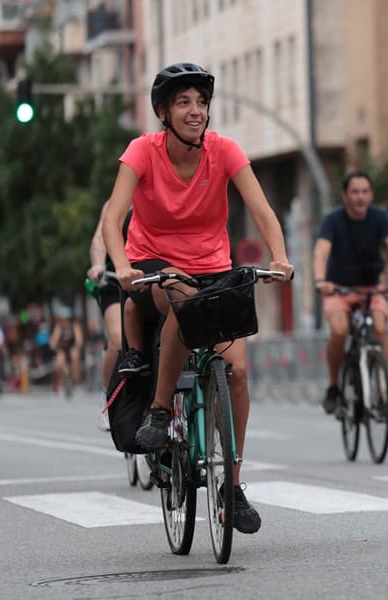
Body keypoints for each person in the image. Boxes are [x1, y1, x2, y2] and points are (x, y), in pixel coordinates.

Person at [103, 62, 294, 534]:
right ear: (164, 112)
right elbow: (113, 217)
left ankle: (232, 484)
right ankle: (160, 409)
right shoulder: (142, 152)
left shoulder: (224, 150)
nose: (196, 111)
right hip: (153, 268)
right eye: (184, 102)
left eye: (202, 102)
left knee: (239, 370)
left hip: (215, 269)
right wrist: (122, 266)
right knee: (182, 301)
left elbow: (262, 209)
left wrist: (281, 256)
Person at [313, 171, 388, 416]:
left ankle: (382, 394)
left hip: (372, 287)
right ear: (345, 196)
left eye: (365, 192)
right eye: (355, 192)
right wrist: (320, 280)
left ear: (371, 195)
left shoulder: (380, 218)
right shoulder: (333, 220)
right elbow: (320, 253)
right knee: (339, 330)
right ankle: (334, 386)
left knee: (380, 330)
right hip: (339, 288)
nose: (360, 197)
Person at [88, 201, 132, 429]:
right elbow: (99, 239)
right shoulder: (116, 202)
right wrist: (98, 265)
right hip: (115, 280)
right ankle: (108, 397)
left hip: (147, 277)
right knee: (117, 339)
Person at [48, 310, 84, 395]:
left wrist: (77, 345)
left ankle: (75, 379)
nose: (65, 321)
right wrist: (53, 345)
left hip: (72, 347)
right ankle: (62, 380)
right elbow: (53, 339)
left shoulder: (74, 325)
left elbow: (79, 339)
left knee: (74, 356)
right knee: (60, 361)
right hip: (62, 348)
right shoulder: (59, 327)